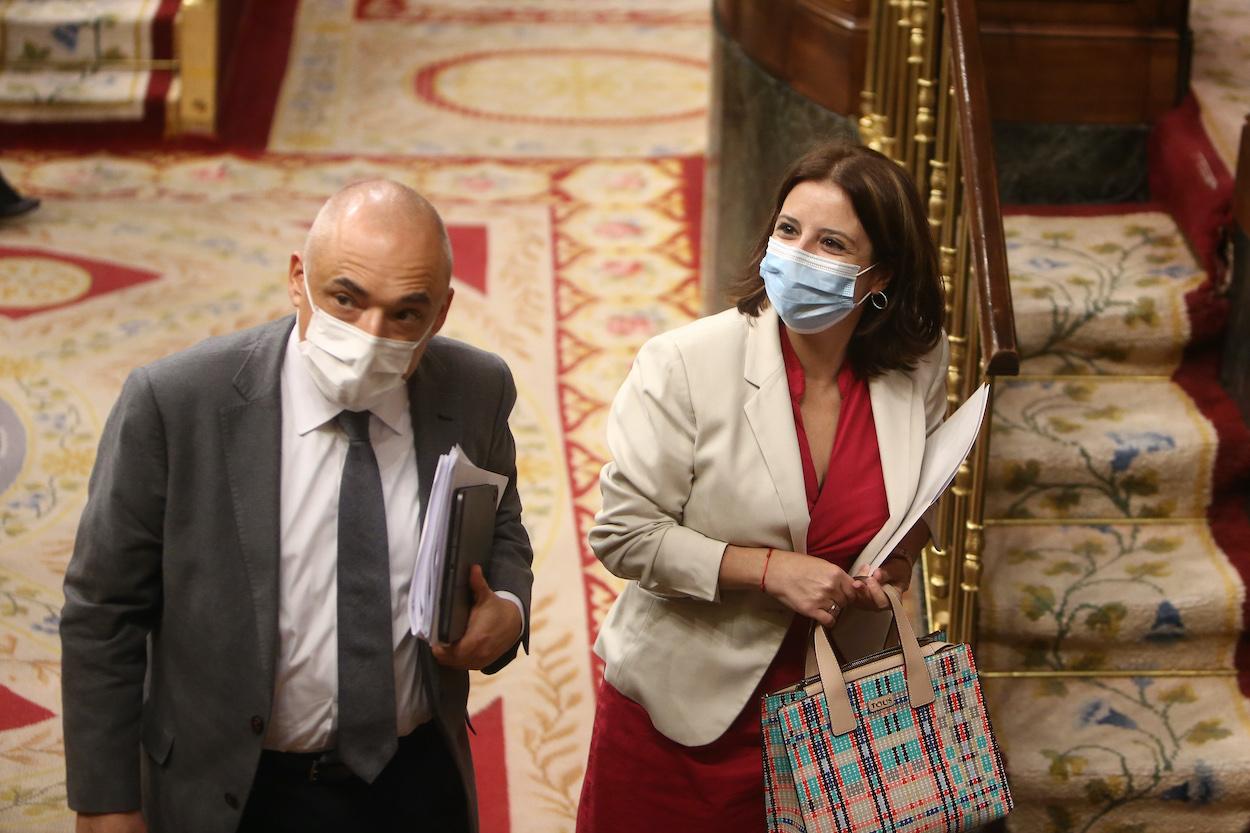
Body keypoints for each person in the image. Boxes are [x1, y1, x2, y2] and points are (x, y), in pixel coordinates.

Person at [60, 180, 534, 833]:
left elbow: (501, 519)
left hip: (416, 775)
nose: (371, 336)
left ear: (442, 312)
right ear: (296, 279)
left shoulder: (476, 388)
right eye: (346, 299)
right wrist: (107, 800)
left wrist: (508, 607)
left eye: (405, 314)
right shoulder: (174, 405)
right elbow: (103, 611)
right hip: (242, 787)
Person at [576, 142, 949, 832]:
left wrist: (893, 565)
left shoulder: (918, 365)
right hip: (688, 716)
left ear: (879, 276)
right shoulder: (685, 364)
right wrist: (772, 571)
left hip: (842, 711)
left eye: (831, 242)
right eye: (788, 230)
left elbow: (922, 498)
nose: (797, 254)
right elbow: (624, 534)